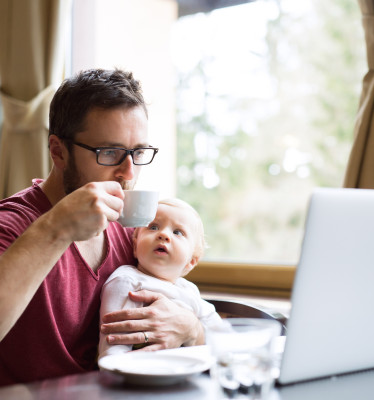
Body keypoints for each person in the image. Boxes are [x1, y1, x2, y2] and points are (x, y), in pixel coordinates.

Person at [0, 68, 204, 386]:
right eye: (110, 153)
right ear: (58, 151)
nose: (128, 173)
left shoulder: (134, 230)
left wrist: (191, 327)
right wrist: (57, 228)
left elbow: (189, 320)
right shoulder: (12, 225)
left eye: (138, 153)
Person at [98, 198, 224, 359]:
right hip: (139, 375)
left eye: (178, 232)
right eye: (153, 227)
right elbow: (113, 345)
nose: (163, 234)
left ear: (191, 262)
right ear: (135, 247)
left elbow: (220, 335)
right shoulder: (126, 281)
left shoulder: (189, 290)